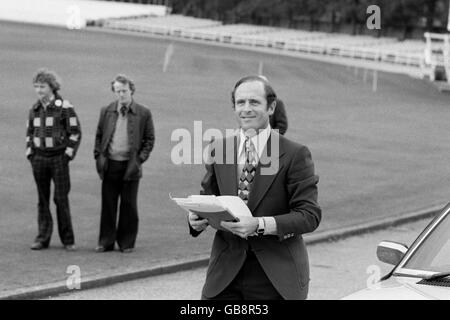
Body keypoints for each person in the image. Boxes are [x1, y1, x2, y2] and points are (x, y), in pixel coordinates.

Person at [188, 75, 321, 300]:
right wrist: (196, 220)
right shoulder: (218, 148)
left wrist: (259, 225)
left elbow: (309, 215)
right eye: (241, 103)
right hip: (224, 275)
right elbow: (208, 199)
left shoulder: (295, 154)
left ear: (271, 108)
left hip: (275, 277)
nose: (246, 109)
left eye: (254, 102)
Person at [94, 74, 155, 253]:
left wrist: (139, 159)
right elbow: (99, 135)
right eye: (117, 91)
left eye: (124, 91)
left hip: (130, 166)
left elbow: (149, 139)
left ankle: (126, 243)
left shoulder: (143, 113)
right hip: (110, 164)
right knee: (108, 205)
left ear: (131, 90)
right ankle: (105, 242)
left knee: (129, 206)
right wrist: (98, 156)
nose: (121, 94)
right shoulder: (106, 110)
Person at [26, 68, 81, 251]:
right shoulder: (34, 108)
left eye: (42, 86)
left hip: (58, 157)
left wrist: (67, 155)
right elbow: (29, 133)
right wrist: (30, 154)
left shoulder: (65, 107)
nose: (39, 90)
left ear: (51, 86)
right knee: (42, 199)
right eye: (37, 86)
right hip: (39, 157)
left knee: (60, 198)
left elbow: (75, 133)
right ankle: (43, 238)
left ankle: (68, 239)